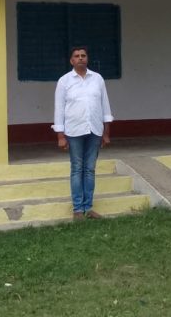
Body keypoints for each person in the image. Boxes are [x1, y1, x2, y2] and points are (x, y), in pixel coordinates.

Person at [53, 46, 113, 220]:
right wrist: (60, 135)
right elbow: (59, 109)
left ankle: (88, 208)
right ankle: (78, 209)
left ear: (87, 58)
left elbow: (105, 106)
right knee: (77, 169)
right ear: (71, 60)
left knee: (90, 169)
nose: (80, 58)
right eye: (77, 56)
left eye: (83, 55)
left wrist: (106, 132)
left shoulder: (97, 79)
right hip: (74, 131)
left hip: (95, 130)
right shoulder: (64, 81)